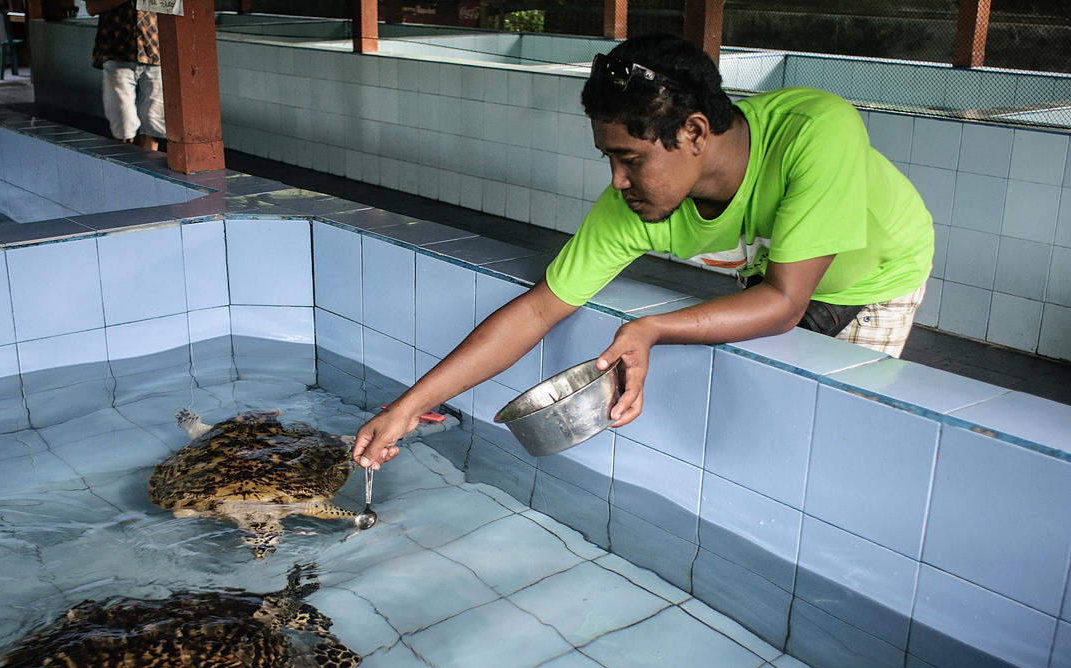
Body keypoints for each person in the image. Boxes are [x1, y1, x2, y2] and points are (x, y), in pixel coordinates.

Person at [352, 32, 934, 471]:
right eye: (609, 159)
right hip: (770, 275)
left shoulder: (816, 133)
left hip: (871, 283)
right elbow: (538, 310)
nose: (616, 182)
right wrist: (406, 407)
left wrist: (652, 328)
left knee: (829, 437)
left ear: (695, 133)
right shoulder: (634, 206)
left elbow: (783, 303)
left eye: (630, 159)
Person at [86, 0, 165, 152]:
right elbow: (92, 7)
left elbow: (175, 7)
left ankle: (148, 163)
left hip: (155, 53)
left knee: (154, 121)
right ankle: (124, 166)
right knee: (122, 120)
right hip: (117, 53)